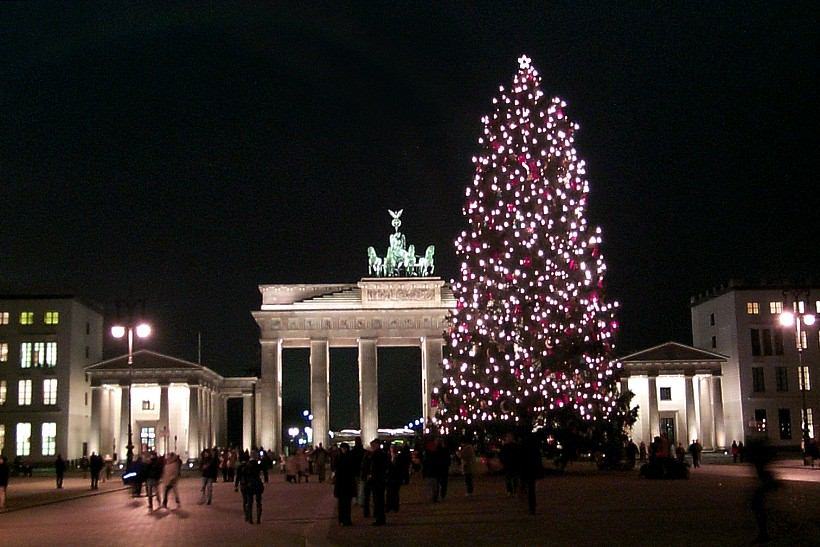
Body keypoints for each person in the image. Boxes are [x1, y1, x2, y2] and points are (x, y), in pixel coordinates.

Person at [519, 433, 543, 515]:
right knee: (531, 489)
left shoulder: (523, 447)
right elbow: (538, 461)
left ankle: (528, 504)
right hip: (532, 470)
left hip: (526, 469)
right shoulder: (535, 449)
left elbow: (520, 458)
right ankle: (532, 507)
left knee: (526, 487)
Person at [333, 443, 355, 526]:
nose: (343, 450)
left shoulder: (345, 457)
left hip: (346, 483)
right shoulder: (340, 457)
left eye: (344, 448)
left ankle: (346, 520)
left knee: (346, 504)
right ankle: (342, 519)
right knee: (342, 504)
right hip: (342, 484)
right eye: (342, 448)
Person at [368, 439, 388, 525]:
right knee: (379, 500)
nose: (371, 447)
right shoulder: (382, 454)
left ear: (376, 445)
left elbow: (376, 468)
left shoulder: (377, 454)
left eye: (372, 445)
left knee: (378, 500)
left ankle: (380, 519)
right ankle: (380, 518)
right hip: (380, 480)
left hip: (377, 480)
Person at [240, 453, 264, 524]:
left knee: (250, 502)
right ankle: (258, 518)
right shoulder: (258, 465)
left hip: (249, 485)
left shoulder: (246, 466)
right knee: (258, 502)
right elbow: (263, 470)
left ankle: (250, 518)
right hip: (257, 484)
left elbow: (243, 475)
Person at [386, 444, 402, 512]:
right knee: (389, 493)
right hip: (390, 478)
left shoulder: (398, 458)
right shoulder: (389, 457)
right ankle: (389, 507)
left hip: (396, 478)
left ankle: (395, 507)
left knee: (394, 493)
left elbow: (400, 469)